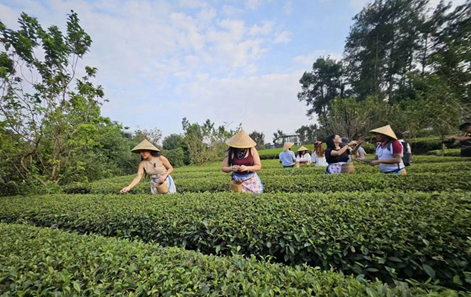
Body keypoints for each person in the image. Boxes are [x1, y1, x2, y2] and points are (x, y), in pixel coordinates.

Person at [221, 129, 263, 194]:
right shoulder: (231, 152)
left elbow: (258, 166)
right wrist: (231, 168)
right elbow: (223, 167)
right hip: (237, 181)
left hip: (251, 180)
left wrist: (247, 168)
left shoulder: (252, 150)